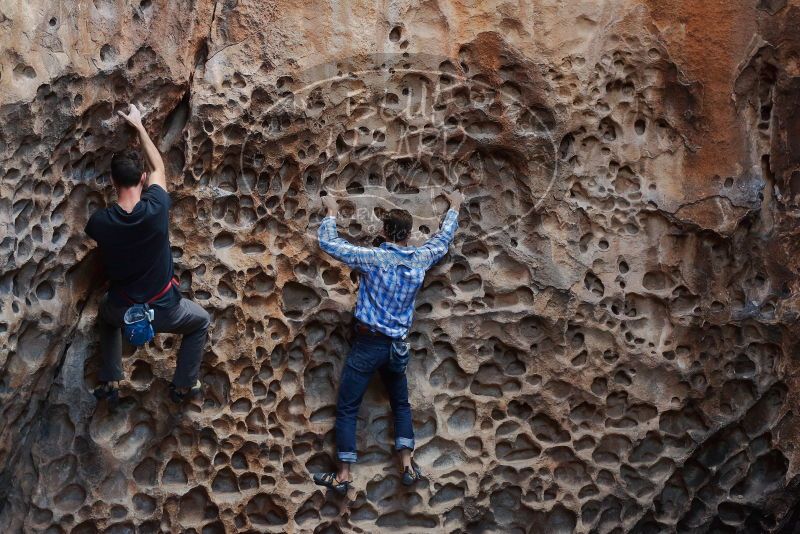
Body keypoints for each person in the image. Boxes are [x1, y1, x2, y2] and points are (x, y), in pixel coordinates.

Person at [313, 189, 463, 494]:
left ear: (384, 232)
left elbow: (330, 244)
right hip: (397, 347)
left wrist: (330, 212)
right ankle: (407, 464)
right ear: (407, 235)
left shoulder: (375, 259)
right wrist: (455, 208)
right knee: (401, 404)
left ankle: (343, 475)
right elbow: (442, 241)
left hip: (368, 345)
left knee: (347, 408)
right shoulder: (420, 259)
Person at [86, 103, 210, 406]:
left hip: (122, 308)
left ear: (112, 183)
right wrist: (139, 126)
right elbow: (158, 168)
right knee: (201, 322)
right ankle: (182, 386)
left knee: (105, 314)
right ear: (141, 179)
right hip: (165, 309)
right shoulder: (156, 209)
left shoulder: (99, 223)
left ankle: (111, 378)